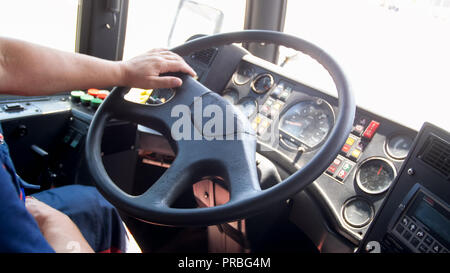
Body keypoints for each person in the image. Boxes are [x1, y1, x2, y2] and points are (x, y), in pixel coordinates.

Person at [0, 36, 197, 253]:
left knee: (98, 204)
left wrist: (124, 71)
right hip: (16, 221)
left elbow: (5, 60)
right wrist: (51, 220)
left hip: (18, 201)